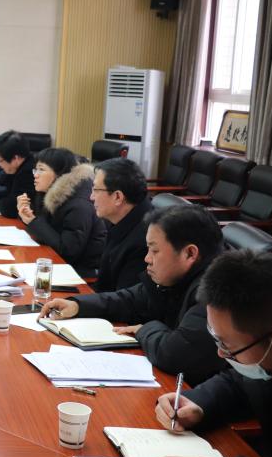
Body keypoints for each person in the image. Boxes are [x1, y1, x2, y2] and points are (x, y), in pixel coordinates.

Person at [148, 250, 272, 457]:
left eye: (228, 346)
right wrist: (198, 404)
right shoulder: (264, 355)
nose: (220, 354)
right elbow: (240, 382)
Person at [40, 204, 227, 385]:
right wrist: (78, 305)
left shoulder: (217, 292)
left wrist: (143, 329)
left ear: (190, 254)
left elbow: (175, 355)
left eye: (155, 250)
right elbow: (130, 299)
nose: (147, 258)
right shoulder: (175, 277)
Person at [17, 147, 105, 277]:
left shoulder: (79, 204)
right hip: (58, 263)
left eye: (41, 169)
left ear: (59, 173)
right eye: (35, 169)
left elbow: (68, 251)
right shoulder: (51, 194)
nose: (35, 175)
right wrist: (27, 215)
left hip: (81, 271)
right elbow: (45, 229)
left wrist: (33, 221)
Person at [90, 158, 151, 291]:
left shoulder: (145, 239)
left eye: (96, 190)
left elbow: (126, 299)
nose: (91, 197)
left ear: (117, 197)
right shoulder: (119, 218)